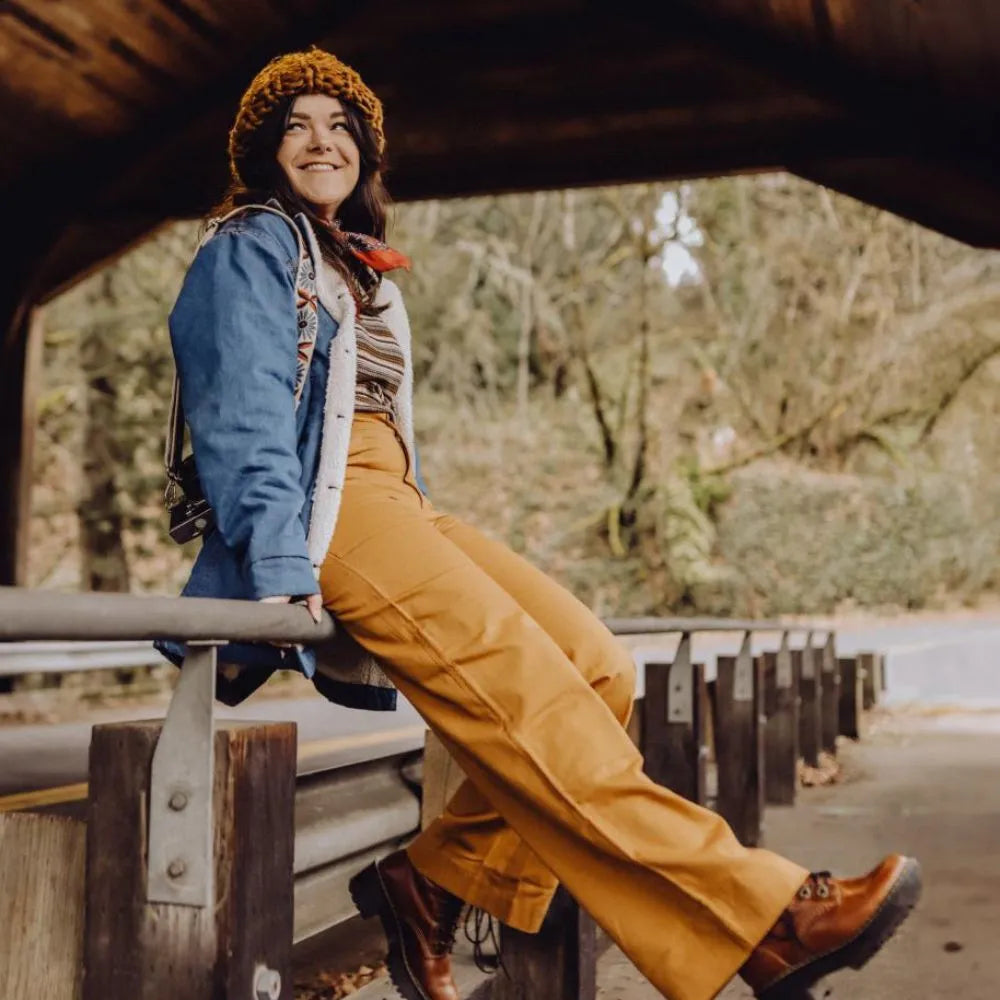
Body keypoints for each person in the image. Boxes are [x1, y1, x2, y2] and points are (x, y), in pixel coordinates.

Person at [165, 48, 921, 1000]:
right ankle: (766, 917)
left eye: (341, 128)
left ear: (364, 152)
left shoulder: (355, 265)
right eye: (297, 127)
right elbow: (241, 410)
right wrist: (277, 554)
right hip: (328, 508)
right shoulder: (250, 244)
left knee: (597, 669)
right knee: (539, 710)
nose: (322, 143)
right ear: (263, 149)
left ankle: (429, 886)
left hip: (397, 497)